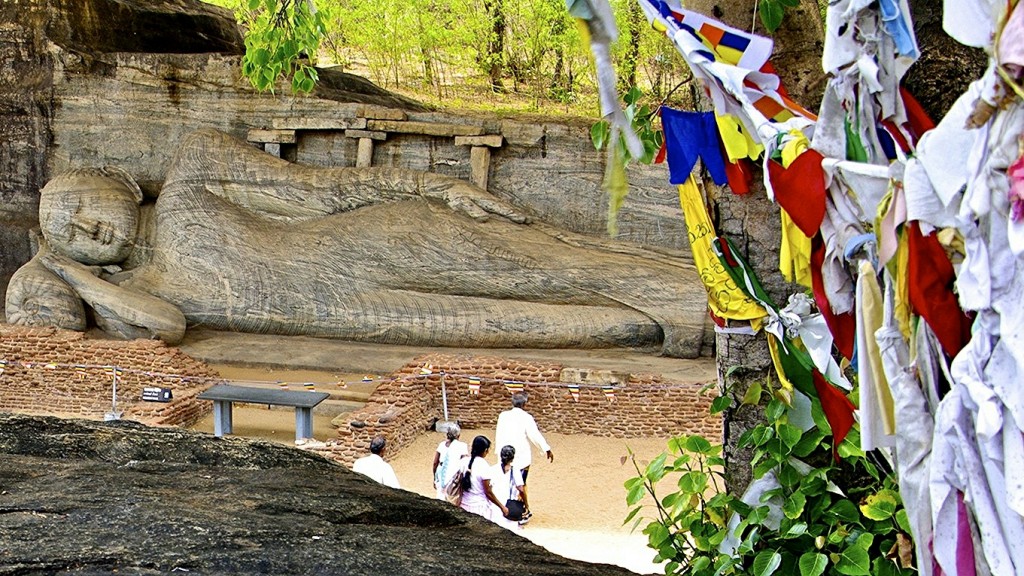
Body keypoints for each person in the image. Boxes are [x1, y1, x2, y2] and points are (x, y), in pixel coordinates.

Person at [6, 128, 710, 358]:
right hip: (358, 310)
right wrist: (66, 275)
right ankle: (677, 326)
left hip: (383, 242)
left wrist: (437, 189)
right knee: (544, 327)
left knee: (553, 266)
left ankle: (701, 286)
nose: (85, 229)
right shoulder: (142, 291)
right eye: (71, 234)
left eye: (81, 205)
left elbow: (325, 190)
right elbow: (167, 330)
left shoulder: (193, 172)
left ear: (123, 185)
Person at [458, 435, 507, 522]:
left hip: (464, 504)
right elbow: (488, 492)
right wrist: (502, 507)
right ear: (485, 450)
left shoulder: (463, 462)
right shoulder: (483, 466)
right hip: (479, 508)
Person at [489, 445, 527, 531]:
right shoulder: (515, 471)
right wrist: (526, 504)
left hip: (495, 505)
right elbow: (521, 489)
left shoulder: (492, 469)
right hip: (510, 506)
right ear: (512, 458)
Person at [432, 423, 468, 500]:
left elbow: (435, 463)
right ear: (458, 435)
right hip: (453, 476)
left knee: (440, 496)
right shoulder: (462, 446)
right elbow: (465, 463)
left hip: (441, 475)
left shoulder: (441, 445)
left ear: (447, 434)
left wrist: (435, 478)